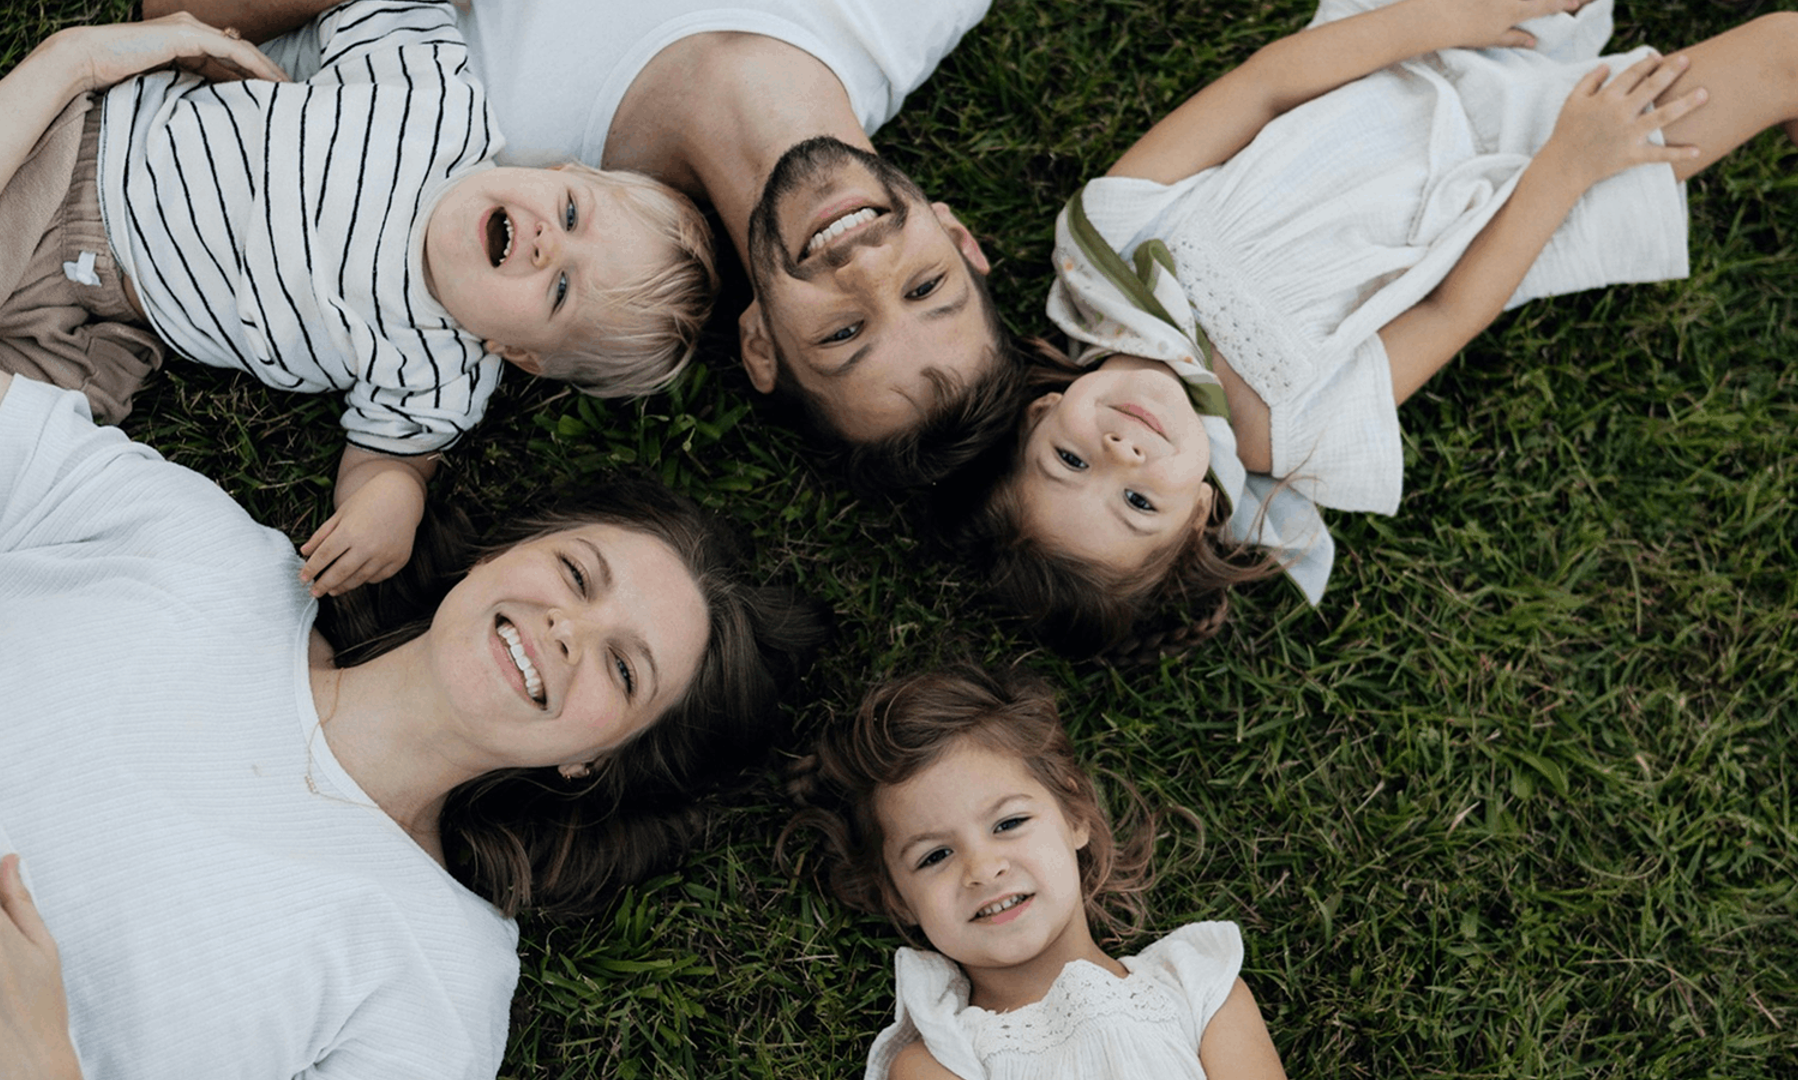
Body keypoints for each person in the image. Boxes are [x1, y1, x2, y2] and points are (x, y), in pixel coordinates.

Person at [0, 16, 823, 1079]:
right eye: (576, 573)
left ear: (594, 758)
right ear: (498, 554)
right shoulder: (180, 537)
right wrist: (69, 64)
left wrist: (22, 1062)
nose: (568, 628)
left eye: (623, 667)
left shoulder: (438, 975)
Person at [958, 0, 1798, 661]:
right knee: (1783, 53)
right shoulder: (1285, 432)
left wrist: (1453, 16)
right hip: (1529, 168)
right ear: (1198, 514)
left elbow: (1266, 85)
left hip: (1398, 46)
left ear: (1039, 413)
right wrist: (1573, 160)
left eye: (1071, 461)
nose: (1122, 452)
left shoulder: (1103, 250)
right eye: (1140, 503)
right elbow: (1449, 310)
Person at [0, 0, 718, 600]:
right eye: (570, 213)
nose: (544, 243)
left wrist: (389, 502)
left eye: (561, 288)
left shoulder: (440, 375)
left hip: (111, 331)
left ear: (522, 356)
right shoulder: (436, 99)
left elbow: (391, 456)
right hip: (81, 174)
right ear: (562, 172)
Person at [146, 0, 1027, 492]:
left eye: (842, 333)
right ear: (958, 238)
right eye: (925, 288)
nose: (863, 269)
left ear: (762, 343)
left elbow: (187, 19)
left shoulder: (490, 172)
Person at [787, 664, 1287, 1080]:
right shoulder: (940, 1061)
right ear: (897, 897)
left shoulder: (1197, 988)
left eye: (1009, 823)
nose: (983, 869)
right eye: (935, 856)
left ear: (1076, 816)